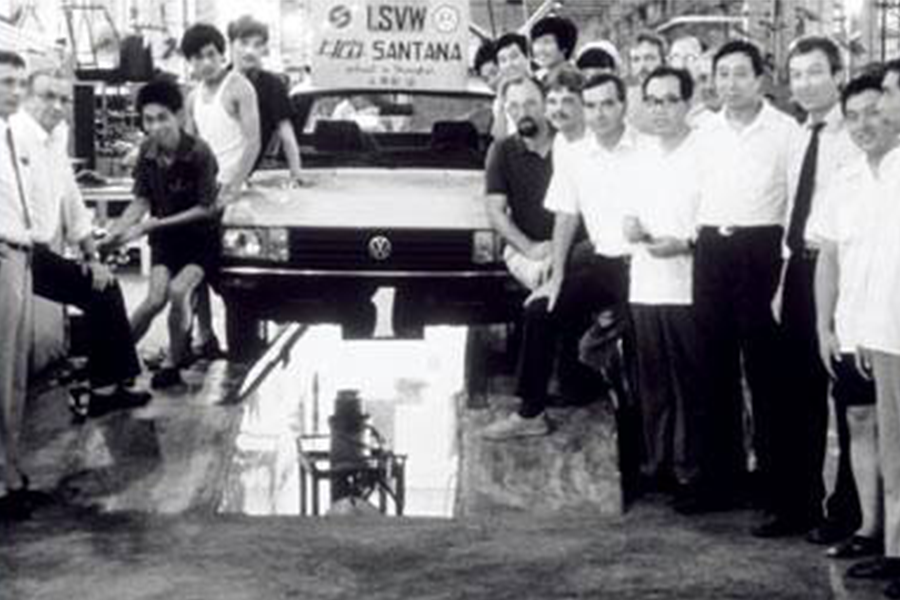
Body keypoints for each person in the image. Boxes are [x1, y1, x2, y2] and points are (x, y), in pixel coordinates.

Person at [480, 73, 636, 440]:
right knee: (540, 308)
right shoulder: (569, 148)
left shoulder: (641, 147)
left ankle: (643, 441)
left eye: (604, 105)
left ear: (622, 106)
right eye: (554, 101)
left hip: (647, 266)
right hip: (602, 260)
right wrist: (557, 280)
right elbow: (566, 215)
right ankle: (530, 413)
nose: (560, 110)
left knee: (643, 355)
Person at [685, 40, 799, 517]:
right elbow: (693, 192)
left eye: (739, 74)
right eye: (722, 75)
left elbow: (794, 205)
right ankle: (719, 481)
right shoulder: (702, 131)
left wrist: (786, 266)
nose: (729, 84)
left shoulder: (786, 131)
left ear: (759, 79)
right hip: (712, 249)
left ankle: (774, 489)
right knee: (712, 368)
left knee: (766, 371)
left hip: (762, 251)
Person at [763, 35, 863, 540]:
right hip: (800, 270)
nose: (804, 83)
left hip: (843, 269)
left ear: (838, 75)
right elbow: (792, 213)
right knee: (794, 391)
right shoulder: (799, 133)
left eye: (815, 72)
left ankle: (849, 513)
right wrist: (784, 280)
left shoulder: (857, 134)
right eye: (797, 74)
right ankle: (797, 504)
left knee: (847, 397)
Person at [16, 68, 151, 417]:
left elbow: (72, 201)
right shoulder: (14, 135)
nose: (57, 106)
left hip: (35, 251)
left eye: (63, 99)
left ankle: (114, 384)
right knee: (97, 290)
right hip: (14, 251)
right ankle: (108, 388)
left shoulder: (56, 136)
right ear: (27, 98)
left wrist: (92, 257)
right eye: (48, 96)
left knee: (103, 284)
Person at [814, 72, 896, 561]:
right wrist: (824, 326)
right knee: (859, 420)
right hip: (852, 327)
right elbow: (829, 256)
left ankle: (896, 546)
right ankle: (869, 529)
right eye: (852, 117)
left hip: (892, 330)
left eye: (873, 112)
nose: (863, 124)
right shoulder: (844, 181)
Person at [101, 79, 220, 389]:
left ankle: (172, 363)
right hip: (166, 240)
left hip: (200, 239)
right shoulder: (147, 151)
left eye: (162, 118)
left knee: (179, 292)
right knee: (154, 299)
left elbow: (207, 208)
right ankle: (112, 362)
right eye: (148, 119)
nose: (155, 126)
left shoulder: (199, 152)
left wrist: (154, 225)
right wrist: (115, 232)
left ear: (178, 116)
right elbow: (141, 201)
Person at [623, 66, 703, 496]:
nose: (661, 109)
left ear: (688, 103)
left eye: (671, 100)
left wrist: (686, 243)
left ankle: (691, 469)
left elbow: (714, 219)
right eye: (653, 101)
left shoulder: (703, 152)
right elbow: (628, 212)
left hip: (688, 286)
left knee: (690, 382)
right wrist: (631, 226)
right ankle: (658, 466)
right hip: (646, 284)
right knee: (653, 384)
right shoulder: (640, 155)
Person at [850, 59, 900, 599]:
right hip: (887, 329)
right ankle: (895, 553)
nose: (882, 103)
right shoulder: (887, 168)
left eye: (889, 93)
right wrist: (868, 324)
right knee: (896, 449)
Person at [182, 23, 261, 360]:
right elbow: (189, 147)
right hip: (203, 191)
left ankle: (241, 344)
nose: (206, 63)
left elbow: (253, 142)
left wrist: (233, 187)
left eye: (211, 54)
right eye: (198, 58)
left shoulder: (239, 87)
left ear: (221, 54)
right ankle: (204, 335)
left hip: (234, 192)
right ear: (190, 62)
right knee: (193, 267)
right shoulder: (192, 97)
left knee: (231, 274)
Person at [0, 50, 34, 521]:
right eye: (6, 82)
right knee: (1, 369)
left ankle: (9, 468)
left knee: (15, 372)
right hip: (3, 253)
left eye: (19, 82)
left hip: (22, 256)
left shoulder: (13, 134)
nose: (14, 90)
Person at [484, 76, 555, 291]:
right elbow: (495, 211)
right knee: (547, 279)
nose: (522, 112)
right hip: (524, 250)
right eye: (513, 106)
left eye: (530, 103)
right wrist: (530, 248)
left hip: (573, 247)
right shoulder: (502, 151)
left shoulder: (568, 144)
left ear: (545, 104)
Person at [227, 15, 306, 186]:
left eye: (257, 45)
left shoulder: (272, 86)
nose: (250, 51)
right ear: (231, 44)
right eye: (244, 43)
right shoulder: (216, 82)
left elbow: (287, 135)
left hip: (241, 180)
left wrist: (296, 176)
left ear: (264, 49)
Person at [667, 35, 716, 128]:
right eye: (675, 57)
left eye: (690, 58)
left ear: (702, 62)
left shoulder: (713, 108)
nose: (682, 65)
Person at [492, 33, 533, 140]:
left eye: (514, 57)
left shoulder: (544, 91)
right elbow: (499, 140)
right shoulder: (500, 101)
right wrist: (501, 103)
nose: (509, 65)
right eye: (503, 60)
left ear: (528, 57)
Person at [626, 31, 666, 133]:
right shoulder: (625, 101)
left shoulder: (681, 96)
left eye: (649, 58)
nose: (642, 66)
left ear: (663, 61)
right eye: (636, 60)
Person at [530, 15, 578, 85]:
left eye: (547, 42)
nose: (540, 49)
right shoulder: (544, 78)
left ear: (564, 47)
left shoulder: (571, 80)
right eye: (536, 42)